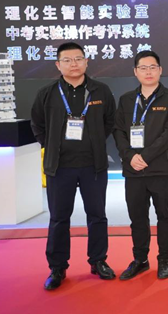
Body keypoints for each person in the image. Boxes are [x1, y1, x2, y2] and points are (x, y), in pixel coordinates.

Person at [30, 42, 117, 291]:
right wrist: (51, 145)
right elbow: (37, 124)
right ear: (58, 65)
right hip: (60, 167)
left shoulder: (101, 91)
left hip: (93, 166)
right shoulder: (47, 93)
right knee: (59, 218)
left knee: (97, 216)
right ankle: (57, 267)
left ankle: (98, 261)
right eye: (67, 60)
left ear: (86, 61)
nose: (74, 64)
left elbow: (110, 121)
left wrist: (95, 142)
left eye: (78, 59)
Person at [113, 50, 168, 281]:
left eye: (153, 67)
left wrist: (146, 156)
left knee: (165, 215)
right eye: (143, 68)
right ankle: (140, 259)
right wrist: (130, 156)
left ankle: (164, 259)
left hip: (160, 168)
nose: (148, 72)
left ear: (160, 70)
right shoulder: (126, 100)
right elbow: (119, 131)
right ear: (135, 72)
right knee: (137, 217)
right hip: (133, 169)